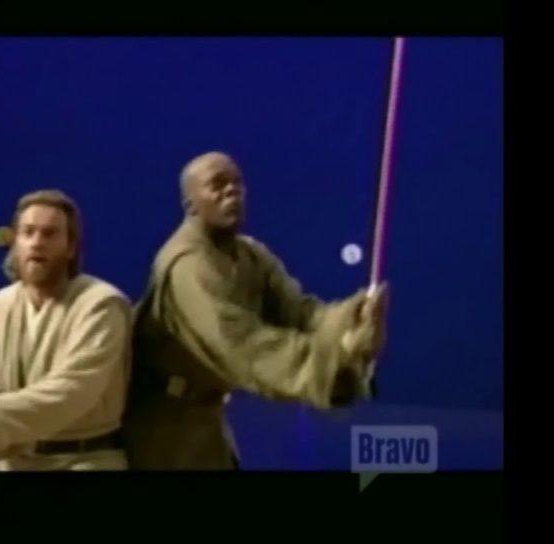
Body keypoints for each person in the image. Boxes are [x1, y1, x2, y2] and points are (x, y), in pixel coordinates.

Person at [122, 151, 388, 470]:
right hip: (163, 430)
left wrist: (350, 319)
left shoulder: (249, 254)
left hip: (205, 420)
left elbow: (300, 312)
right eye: (217, 185)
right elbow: (242, 345)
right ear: (191, 204)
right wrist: (332, 362)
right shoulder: (188, 266)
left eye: (237, 183)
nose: (231, 191)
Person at [0, 190, 133, 471]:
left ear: (71, 247)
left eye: (49, 234)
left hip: (85, 459)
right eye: (28, 232)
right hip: (14, 460)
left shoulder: (100, 305)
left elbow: (73, 390)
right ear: (15, 242)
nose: (37, 242)